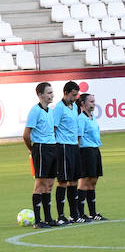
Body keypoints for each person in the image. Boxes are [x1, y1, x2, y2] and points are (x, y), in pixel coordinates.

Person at [23, 82, 58, 227]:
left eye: (52, 92)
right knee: (40, 184)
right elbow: (26, 135)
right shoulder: (35, 111)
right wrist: (31, 149)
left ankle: (48, 218)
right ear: (40, 95)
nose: (52, 95)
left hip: (52, 148)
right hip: (41, 149)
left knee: (49, 185)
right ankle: (38, 221)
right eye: (49, 92)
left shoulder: (50, 111)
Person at [51, 81, 83, 223]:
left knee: (74, 181)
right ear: (65, 93)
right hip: (62, 147)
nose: (76, 97)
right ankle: (61, 216)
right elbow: (54, 128)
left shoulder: (75, 106)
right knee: (62, 181)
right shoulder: (59, 108)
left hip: (73, 147)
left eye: (77, 95)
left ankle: (74, 214)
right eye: (73, 94)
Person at [75, 92, 106, 221]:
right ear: (83, 104)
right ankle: (80, 214)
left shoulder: (92, 117)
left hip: (95, 150)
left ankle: (93, 213)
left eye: (94, 101)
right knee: (84, 181)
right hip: (85, 151)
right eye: (91, 102)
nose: (94, 104)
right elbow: (78, 137)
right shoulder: (81, 119)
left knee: (93, 181)